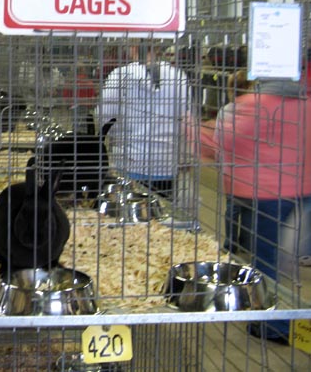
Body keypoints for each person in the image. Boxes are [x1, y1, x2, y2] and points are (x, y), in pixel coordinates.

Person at [209, 75, 311, 344]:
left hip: (267, 193)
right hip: (302, 190)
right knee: (283, 260)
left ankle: (272, 325)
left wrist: (194, 129)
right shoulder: (306, 103)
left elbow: (227, 143)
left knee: (265, 262)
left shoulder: (258, 103)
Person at [96, 40, 190, 199]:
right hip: (166, 163)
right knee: (160, 214)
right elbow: (183, 116)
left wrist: (118, 133)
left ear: (133, 47)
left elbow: (104, 117)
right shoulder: (178, 76)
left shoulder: (121, 75)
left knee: (132, 214)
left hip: (131, 161)